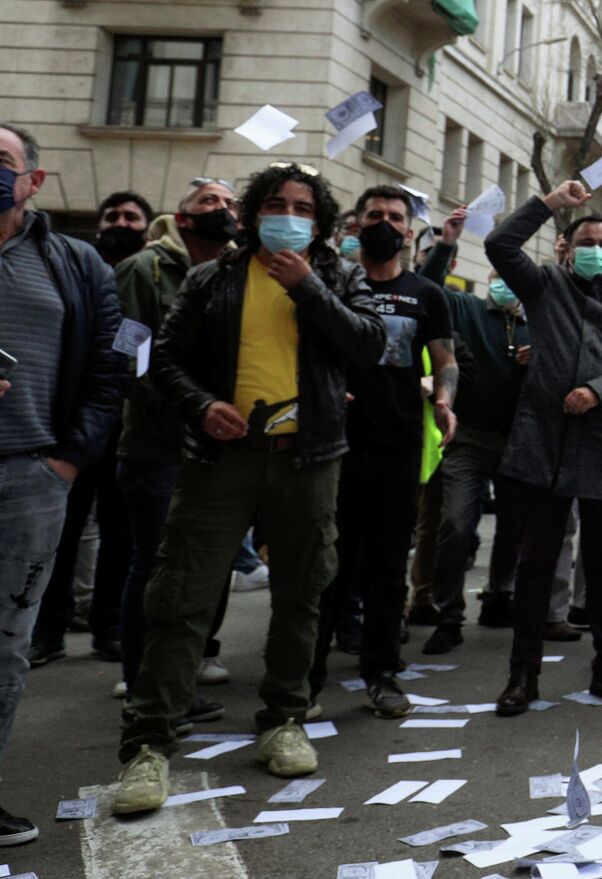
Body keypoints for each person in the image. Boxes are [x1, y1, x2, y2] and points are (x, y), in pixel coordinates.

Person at [112, 162, 385, 815]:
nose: (286, 213)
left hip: (309, 459)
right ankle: (149, 746)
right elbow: (163, 357)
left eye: (300, 206)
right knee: (180, 597)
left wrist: (311, 288)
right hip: (221, 460)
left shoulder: (339, 275)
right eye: (274, 203)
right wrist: (202, 405)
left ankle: (283, 720)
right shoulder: (211, 279)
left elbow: (372, 344)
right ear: (253, 213)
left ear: (317, 222)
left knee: (301, 594)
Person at [484, 180, 602, 716]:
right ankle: (523, 674)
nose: (597, 250)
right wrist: (549, 205)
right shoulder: (543, 287)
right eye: (587, 241)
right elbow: (499, 247)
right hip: (542, 448)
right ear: (566, 247)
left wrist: (599, 392)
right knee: (536, 564)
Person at [0, 123, 126, 847]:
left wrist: (69, 461)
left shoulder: (75, 264)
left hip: (30, 477)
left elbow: (109, 371)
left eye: (2, 161)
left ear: (33, 181)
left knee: (5, 647)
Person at [308, 186, 457, 718]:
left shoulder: (427, 295)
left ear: (409, 230)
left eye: (396, 217)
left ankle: (382, 673)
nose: (386, 223)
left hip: (397, 446)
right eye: (375, 215)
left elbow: (445, 361)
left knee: (389, 569)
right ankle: (306, 675)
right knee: (329, 564)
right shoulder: (333, 286)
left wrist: (444, 400)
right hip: (333, 443)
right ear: (355, 224)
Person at [112, 178, 240, 714]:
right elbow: (130, 356)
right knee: (156, 561)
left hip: (214, 444)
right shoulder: (145, 270)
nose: (223, 210)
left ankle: (184, 666)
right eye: (209, 202)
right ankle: (145, 680)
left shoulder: (231, 273)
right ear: (182, 219)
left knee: (203, 561)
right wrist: (188, 407)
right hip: (157, 442)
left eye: (229, 203)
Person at [29, 190, 152, 667]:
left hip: (128, 425)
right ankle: (48, 627)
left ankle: (110, 626)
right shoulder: (74, 269)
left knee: (122, 534)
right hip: (77, 423)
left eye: (131, 216)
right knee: (64, 529)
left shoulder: (151, 275)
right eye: (112, 215)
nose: (120, 222)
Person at [417, 208, 535, 652]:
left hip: (517, 443)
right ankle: (449, 615)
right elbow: (425, 290)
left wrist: (537, 355)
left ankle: (499, 594)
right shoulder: (464, 307)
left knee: (513, 526)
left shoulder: (538, 321)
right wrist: (447, 243)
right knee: (455, 524)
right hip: (467, 439)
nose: (505, 280)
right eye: (498, 272)